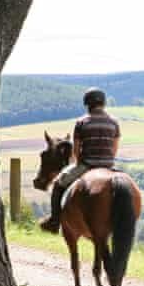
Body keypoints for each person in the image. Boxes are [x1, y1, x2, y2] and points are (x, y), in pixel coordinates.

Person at [40, 88, 120, 234]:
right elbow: (114, 149)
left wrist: (80, 163)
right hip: (108, 166)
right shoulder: (114, 123)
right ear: (103, 103)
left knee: (58, 184)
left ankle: (54, 220)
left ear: (87, 104)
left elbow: (76, 151)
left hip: (87, 165)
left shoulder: (82, 122)